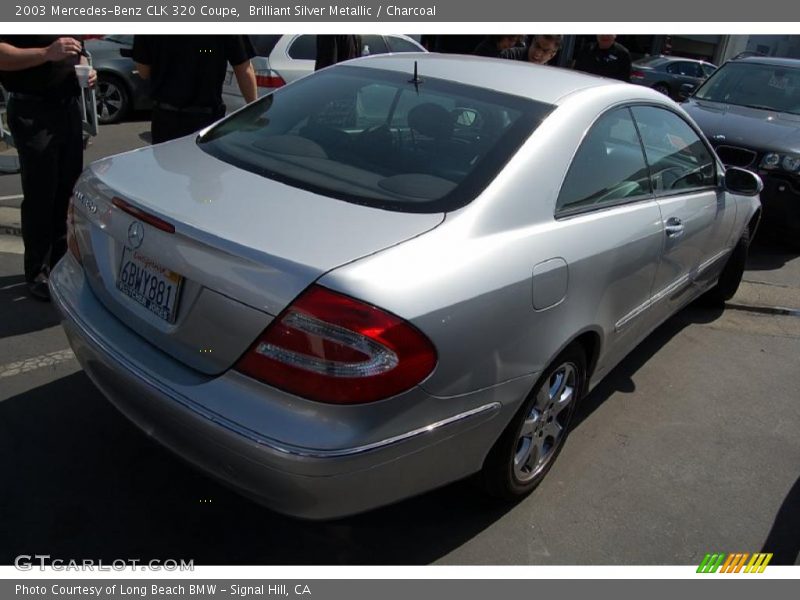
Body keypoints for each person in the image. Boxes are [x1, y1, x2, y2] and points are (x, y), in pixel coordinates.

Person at [0, 35, 96, 301]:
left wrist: (88, 71)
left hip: (68, 108)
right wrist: (45, 53)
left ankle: (63, 262)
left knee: (68, 191)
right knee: (41, 193)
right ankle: (38, 271)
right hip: (31, 108)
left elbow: (79, 53)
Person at [132, 35, 257, 144]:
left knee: (167, 169)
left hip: (165, 120)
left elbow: (143, 71)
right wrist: (256, 112)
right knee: (204, 169)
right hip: (206, 120)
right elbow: (244, 69)